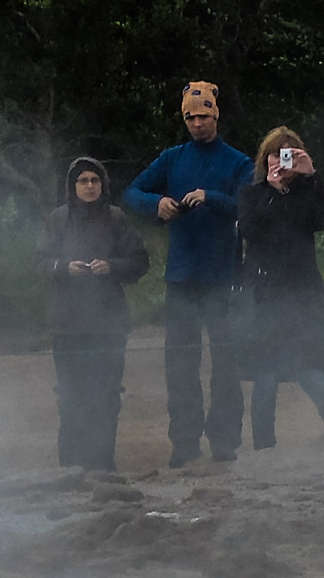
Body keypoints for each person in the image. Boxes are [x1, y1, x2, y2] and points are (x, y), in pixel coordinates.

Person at [125, 81, 251, 466]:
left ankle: (224, 440)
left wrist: (211, 197)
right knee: (180, 364)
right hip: (180, 276)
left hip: (222, 275)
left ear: (216, 114)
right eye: (190, 117)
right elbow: (132, 193)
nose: (197, 123)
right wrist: (157, 204)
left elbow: (249, 206)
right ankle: (184, 441)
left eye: (204, 115)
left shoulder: (238, 162)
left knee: (226, 361)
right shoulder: (172, 158)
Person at [35, 156, 149, 471]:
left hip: (109, 324)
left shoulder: (116, 218)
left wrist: (111, 266)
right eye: (83, 181)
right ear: (73, 186)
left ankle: (102, 463)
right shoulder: (58, 219)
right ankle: (70, 465)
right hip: (68, 324)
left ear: (103, 185)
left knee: (106, 396)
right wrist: (63, 268)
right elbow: (39, 262)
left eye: (94, 180)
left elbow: (140, 261)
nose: (89, 186)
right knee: (70, 396)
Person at [239, 127, 324, 451]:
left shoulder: (307, 191)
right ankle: (264, 449)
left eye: (289, 154)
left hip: (304, 295)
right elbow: (249, 230)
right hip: (264, 297)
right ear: (265, 159)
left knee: (310, 371)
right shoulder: (252, 194)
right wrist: (273, 192)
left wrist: (312, 176)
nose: (282, 161)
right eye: (276, 154)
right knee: (266, 376)